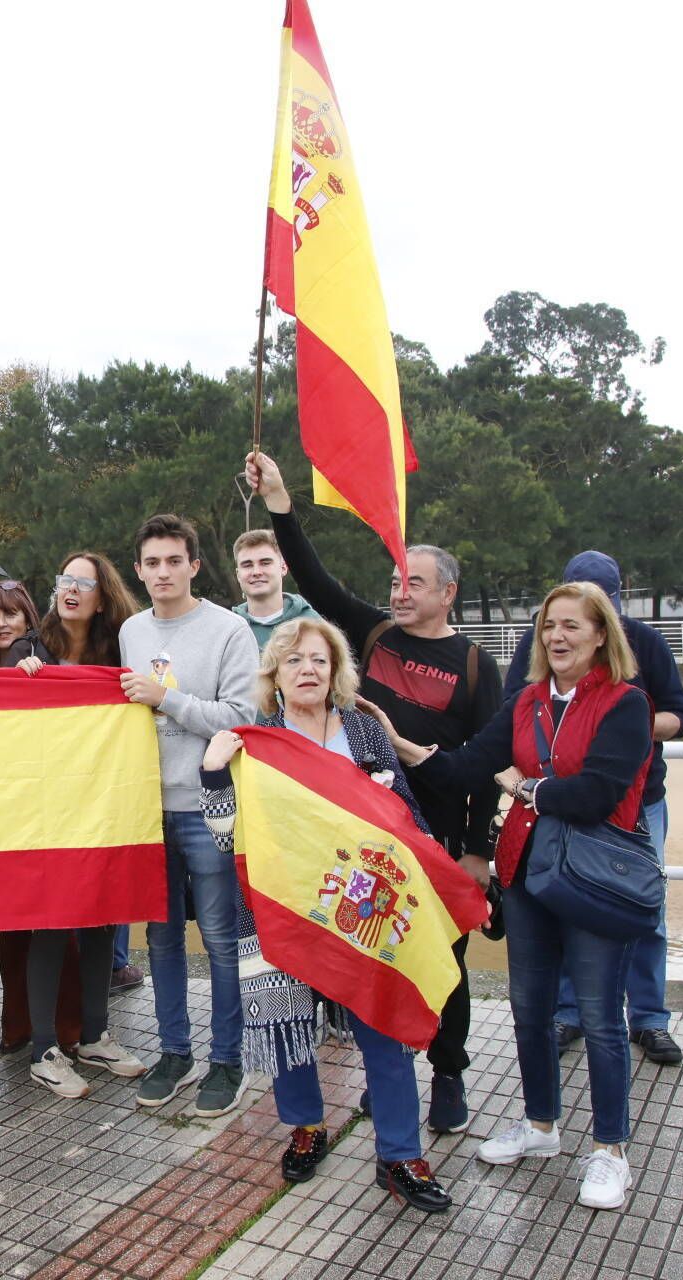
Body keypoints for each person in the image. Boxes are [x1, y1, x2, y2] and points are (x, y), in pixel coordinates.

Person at [371, 581, 651, 1211]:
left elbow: (596, 796)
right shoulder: (525, 702)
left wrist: (525, 786)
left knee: (603, 1019)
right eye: (550, 625)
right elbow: (469, 765)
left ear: (601, 633)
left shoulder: (625, 704)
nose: (558, 636)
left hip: (596, 878)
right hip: (526, 875)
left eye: (573, 626)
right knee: (529, 1011)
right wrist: (403, 744)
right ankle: (541, 1125)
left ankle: (610, 1149)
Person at [246, 449, 499, 1134]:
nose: (399, 590)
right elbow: (316, 580)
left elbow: (486, 765)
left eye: (414, 582)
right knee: (372, 955)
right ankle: (390, 1078)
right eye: (394, 579)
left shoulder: (477, 665)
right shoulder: (374, 634)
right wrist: (279, 502)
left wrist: (475, 850)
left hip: (430, 834)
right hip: (351, 837)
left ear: (447, 591)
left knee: (439, 960)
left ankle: (447, 1072)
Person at [198, 617, 453, 1211]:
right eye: (293, 661)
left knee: (385, 1031)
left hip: (362, 911)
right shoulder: (254, 742)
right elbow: (225, 836)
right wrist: (213, 771)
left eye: (318, 659)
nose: (307, 670)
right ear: (275, 675)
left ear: (335, 670)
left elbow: (404, 818)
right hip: (281, 911)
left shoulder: (364, 732)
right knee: (288, 1031)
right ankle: (306, 1127)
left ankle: (399, 1154)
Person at [502, 551, 683, 1066]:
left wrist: (617, 730)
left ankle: (650, 1018)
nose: (560, 634)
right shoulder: (539, 643)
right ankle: (570, 1013)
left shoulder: (645, 643)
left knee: (642, 905)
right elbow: (512, 710)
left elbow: (680, 713)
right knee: (564, 900)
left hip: (635, 801)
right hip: (552, 803)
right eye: (554, 621)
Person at [117, 514, 259, 1117]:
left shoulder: (230, 630)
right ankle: (175, 1051)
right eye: (152, 563)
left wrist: (166, 699)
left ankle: (228, 1060)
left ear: (194, 566)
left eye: (174, 561)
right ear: (139, 570)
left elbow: (240, 716)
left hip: (209, 808)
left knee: (222, 940)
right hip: (149, 812)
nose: (163, 572)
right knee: (162, 938)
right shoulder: (130, 631)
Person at [0, 579, 82, 1060]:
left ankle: (67, 1026)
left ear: (26, 617)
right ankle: (16, 1025)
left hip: (46, 806)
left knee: (56, 921)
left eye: (11, 615)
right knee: (13, 926)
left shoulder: (40, 655)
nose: (3, 624)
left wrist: (35, 675)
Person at [38, 552, 149, 994]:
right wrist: (24, 673)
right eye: (65, 579)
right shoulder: (32, 647)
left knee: (105, 896)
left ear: (102, 600)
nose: (71, 590)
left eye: (83, 584)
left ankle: (99, 1003)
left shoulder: (122, 650)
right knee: (54, 912)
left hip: (104, 792)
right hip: (49, 795)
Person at [229, 527, 318, 651]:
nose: (256, 572)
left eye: (265, 563)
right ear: (238, 574)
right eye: (247, 565)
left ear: (283, 568)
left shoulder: (313, 625)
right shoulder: (228, 629)